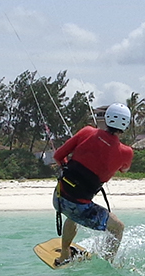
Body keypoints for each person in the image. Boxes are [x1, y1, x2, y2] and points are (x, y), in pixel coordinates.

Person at [49, 103, 135, 264]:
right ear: (126, 125)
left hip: (59, 199)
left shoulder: (87, 131)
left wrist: (69, 169)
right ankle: (108, 265)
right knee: (118, 228)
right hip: (80, 207)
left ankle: (63, 255)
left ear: (107, 118)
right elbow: (125, 169)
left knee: (72, 215)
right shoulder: (126, 152)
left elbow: (58, 156)